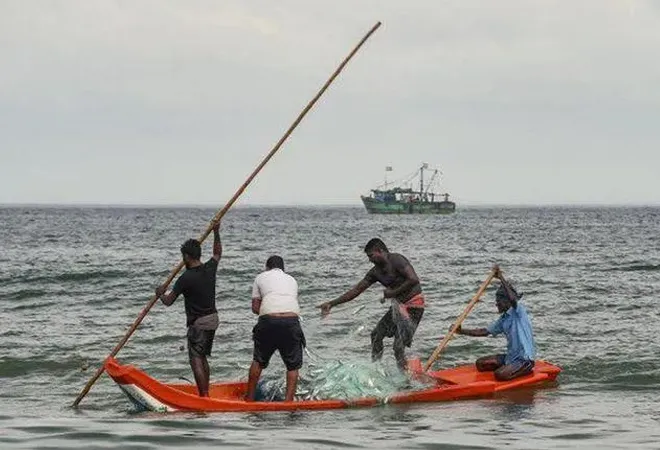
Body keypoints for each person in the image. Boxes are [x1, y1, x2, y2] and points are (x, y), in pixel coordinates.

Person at [318, 238, 425, 371]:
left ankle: (405, 380)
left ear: (380, 251)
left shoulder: (397, 260)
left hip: (414, 306)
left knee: (398, 347)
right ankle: (376, 370)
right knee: (376, 335)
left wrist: (392, 293)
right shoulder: (375, 272)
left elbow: (413, 279)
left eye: (371, 255)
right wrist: (331, 304)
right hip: (398, 307)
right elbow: (356, 291)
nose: (370, 259)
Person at [155, 221, 222, 397]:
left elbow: (168, 301)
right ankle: (205, 392)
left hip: (199, 323)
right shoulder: (209, 268)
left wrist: (160, 293)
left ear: (186, 256)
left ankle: (204, 396)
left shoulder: (185, 278)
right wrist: (216, 232)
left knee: (195, 359)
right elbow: (217, 253)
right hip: (213, 320)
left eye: (183, 256)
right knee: (203, 357)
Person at [454, 269, 536, 381]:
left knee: (500, 375)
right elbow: (484, 331)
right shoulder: (503, 320)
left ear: (507, 301)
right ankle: (510, 368)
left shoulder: (519, 311)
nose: (496, 304)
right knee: (480, 364)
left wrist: (501, 277)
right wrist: (461, 331)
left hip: (524, 359)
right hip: (510, 358)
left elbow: (512, 299)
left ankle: (525, 370)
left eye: (499, 301)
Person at [246, 255, 305, 402]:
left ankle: (249, 399)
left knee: (258, 360)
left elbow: (255, 307)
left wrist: (269, 315)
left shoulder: (261, 277)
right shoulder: (292, 280)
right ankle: (288, 402)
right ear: (283, 269)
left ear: (267, 267)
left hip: (268, 321)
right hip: (292, 321)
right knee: (292, 366)